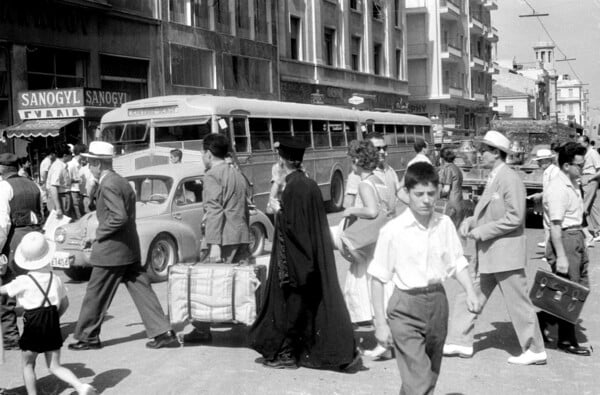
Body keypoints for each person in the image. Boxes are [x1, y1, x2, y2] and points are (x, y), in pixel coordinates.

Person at [369, 162, 481, 395]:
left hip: (438, 304)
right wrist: (380, 323)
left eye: (431, 193)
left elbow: (457, 262)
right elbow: (378, 278)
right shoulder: (393, 230)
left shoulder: (445, 224)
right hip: (405, 307)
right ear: (407, 194)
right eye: (419, 194)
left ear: (439, 191)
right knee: (418, 379)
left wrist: (470, 292)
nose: (426, 200)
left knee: (428, 374)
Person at [250, 136, 360, 371]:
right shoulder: (308, 184)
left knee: (292, 308)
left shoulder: (293, 188)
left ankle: (288, 355)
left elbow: (295, 228)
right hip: (308, 259)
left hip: (294, 263)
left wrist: (280, 212)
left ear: (283, 162)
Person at [443, 131, 547, 365]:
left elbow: (515, 217)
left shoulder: (509, 179)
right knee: (467, 294)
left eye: (485, 150)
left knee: (518, 303)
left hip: (505, 254)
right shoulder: (495, 177)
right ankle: (459, 340)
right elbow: (488, 212)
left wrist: (480, 231)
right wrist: (470, 222)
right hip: (490, 254)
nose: (481, 153)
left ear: (497, 154)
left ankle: (535, 349)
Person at [68, 141, 179, 351]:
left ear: (98, 164)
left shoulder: (108, 184)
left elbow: (118, 217)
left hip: (112, 250)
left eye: (90, 163)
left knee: (96, 292)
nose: (88, 167)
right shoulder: (119, 181)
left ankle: (88, 336)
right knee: (141, 288)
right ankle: (163, 332)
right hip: (128, 248)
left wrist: (97, 235)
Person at [0, 232, 97, 395]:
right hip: (52, 324)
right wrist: (53, 318)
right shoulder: (55, 279)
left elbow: (4, 290)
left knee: (28, 364)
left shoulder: (24, 281)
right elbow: (65, 304)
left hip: (33, 327)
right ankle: (80, 386)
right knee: (54, 366)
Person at [179, 134, 252, 344]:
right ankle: (243, 321)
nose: (202, 157)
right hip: (240, 235)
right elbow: (244, 207)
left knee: (206, 283)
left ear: (208, 154)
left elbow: (214, 211)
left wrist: (214, 245)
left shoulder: (212, 175)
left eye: (203, 153)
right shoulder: (236, 173)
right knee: (239, 283)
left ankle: (201, 328)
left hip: (223, 238)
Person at [538, 142, 591, 356]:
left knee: (579, 288)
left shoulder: (571, 183)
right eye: (579, 165)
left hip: (575, 236)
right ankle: (567, 340)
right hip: (565, 239)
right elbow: (556, 226)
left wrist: (585, 234)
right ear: (567, 165)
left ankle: (543, 319)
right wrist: (560, 256)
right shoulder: (558, 188)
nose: (583, 168)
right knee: (571, 291)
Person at [341, 140, 388, 325]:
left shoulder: (364, 184)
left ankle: (381, 338)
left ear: (359, 160)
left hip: (366, 243)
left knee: (366, 288)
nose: (351, 163)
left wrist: (351, 210)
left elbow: (371, 211)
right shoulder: (379, 180)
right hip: (378, 240)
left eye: (352, 159)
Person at [0, 153, 43, 351]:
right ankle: (37, 331)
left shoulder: (3, 187)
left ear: (2, 168)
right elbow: (41, 212)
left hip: (14, 238)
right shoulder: (33, 184)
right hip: (34, 237)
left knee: (7, 289)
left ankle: (11, 338)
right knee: (32, 286)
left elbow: (2, 224)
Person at [344, 132, 401, 214]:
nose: (382, 151)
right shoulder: (357, 174)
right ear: (368, 150)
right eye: (377, 148)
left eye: (384, 148)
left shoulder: (390, 170)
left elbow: (398, 195)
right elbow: (349, 203)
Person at [527, 148, 560, 249]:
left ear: (547, 160)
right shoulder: (547, 171)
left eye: (540, 161)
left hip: (554, 203)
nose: (539, 164)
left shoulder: (554, 171)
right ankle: (548, 247)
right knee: (547, 226)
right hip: (548, 203)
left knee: (552, 226)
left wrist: (540, 195)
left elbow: (554, 188)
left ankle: (552, 250)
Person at [577, 135, 600, 241]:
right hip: (586, 177)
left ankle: (581, 231)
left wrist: (590, 178)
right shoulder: (585, 153)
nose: (579, 145)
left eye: (580, 143)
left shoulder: (593, 153)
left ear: (586, 143)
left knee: (583, 206)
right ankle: (598, 231)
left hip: (589, 178)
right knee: (593, 207)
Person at [438, 147, 464, 227]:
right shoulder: (456, 168)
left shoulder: (447, 168)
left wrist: (437, 197)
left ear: (442, 158)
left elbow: (446, 189)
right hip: (459, 200)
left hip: (451, 203)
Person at [46, 145, 72, 219]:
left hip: (62, 196)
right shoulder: (58, 166)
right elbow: (53, 186)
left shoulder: (61, 165)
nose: (72, 156)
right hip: (60, 197)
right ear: (65, 155)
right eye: (70, 154)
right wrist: (58, 207)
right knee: (61, 223)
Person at [67, 144, 86, 220]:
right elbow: (67, 180)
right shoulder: (70, 165)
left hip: (81, 191)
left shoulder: (81, 164)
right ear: (81, 154)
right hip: (74, 191)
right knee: (78, 215)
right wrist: (77, 180)